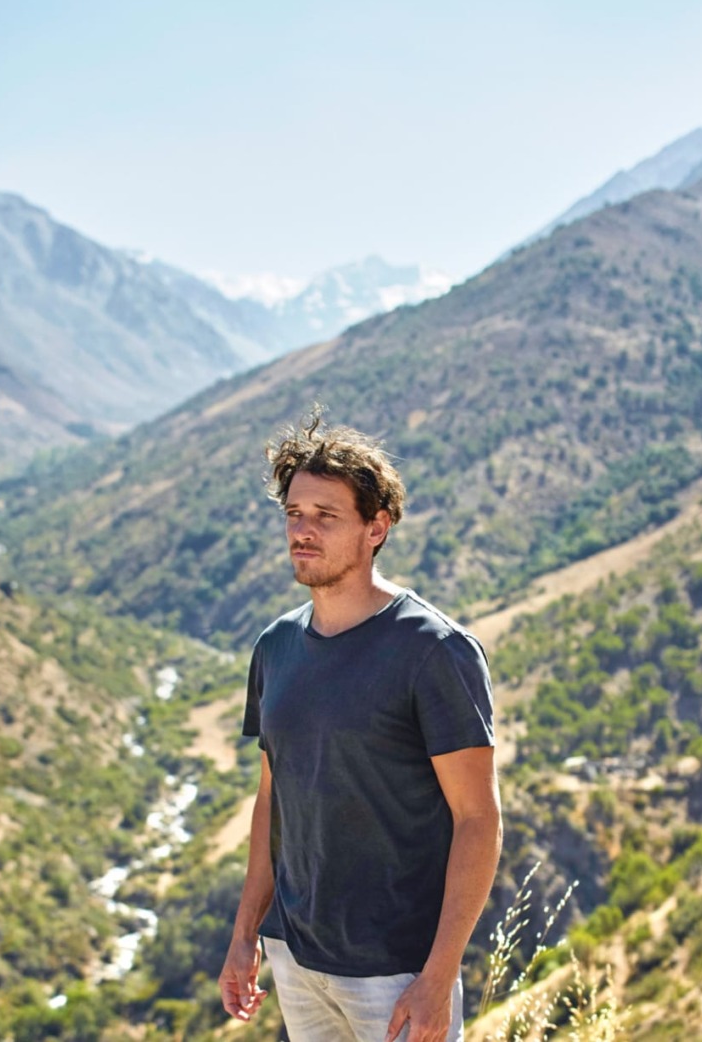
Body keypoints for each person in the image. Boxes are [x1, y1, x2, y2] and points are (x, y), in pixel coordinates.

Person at [218, 411, 502, 1042]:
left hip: (396, 973)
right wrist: (246, 936)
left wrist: (438, 975)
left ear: (377, 528)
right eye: (294, 514)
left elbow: (478, 821)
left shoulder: (436, 651)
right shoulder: (275, 647)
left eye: (326, 516)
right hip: (297, 958)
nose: (303, 531)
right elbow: (274, 799)